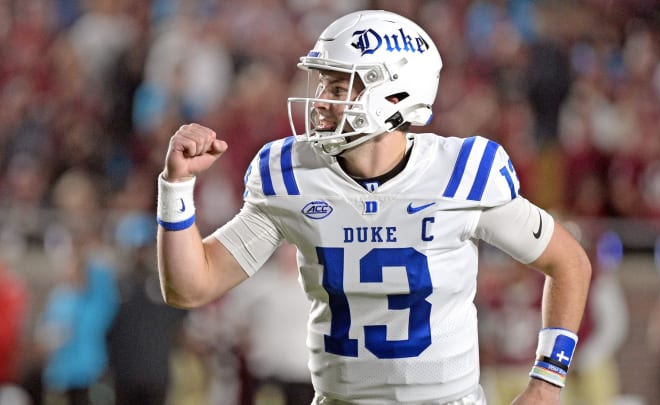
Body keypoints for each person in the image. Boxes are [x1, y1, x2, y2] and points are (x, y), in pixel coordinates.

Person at [155, 10, 592, 405]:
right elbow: (191, 287)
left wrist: (547, 381)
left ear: (396, 96)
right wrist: (177, 185)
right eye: (324, 83)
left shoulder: (460, 174)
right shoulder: (292, 175)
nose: (322, 100)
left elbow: (569, 262)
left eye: (341, 86)